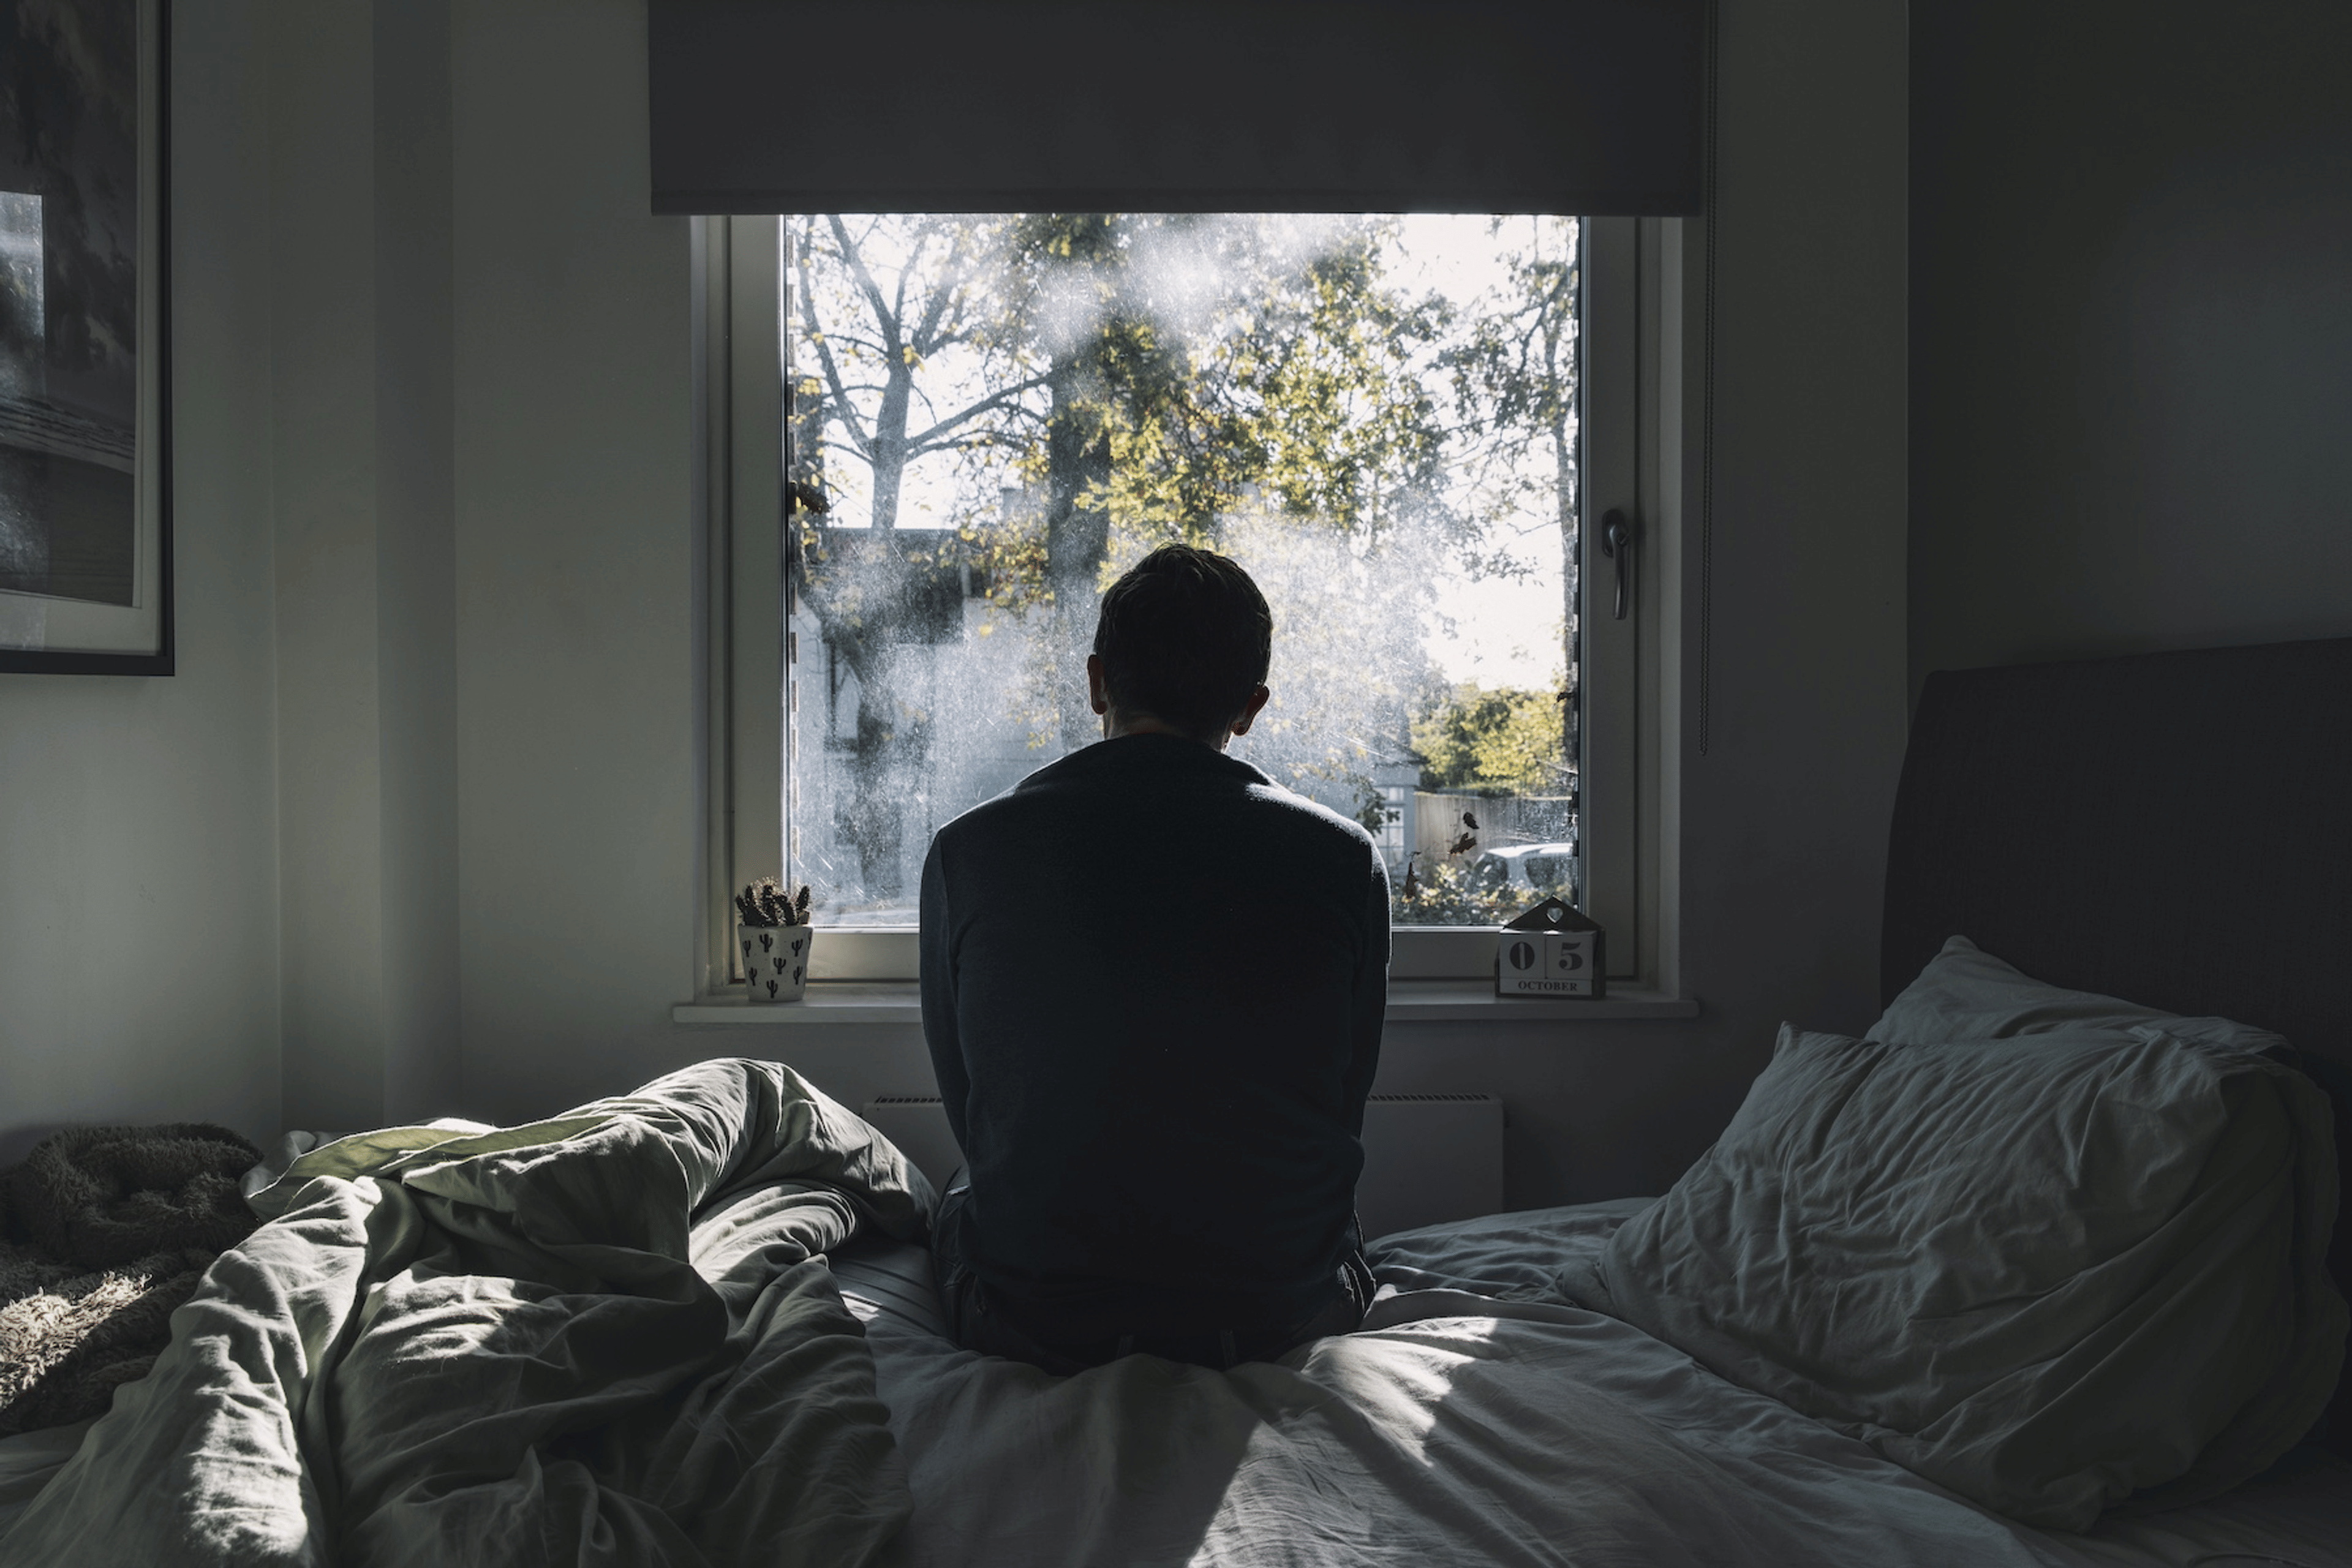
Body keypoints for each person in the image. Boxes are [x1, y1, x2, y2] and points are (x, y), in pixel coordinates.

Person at [919, 544, 1390, 1375]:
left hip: (1037, 1321)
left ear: (1098, 681)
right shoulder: (1346, 861)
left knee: (962, 1195)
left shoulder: (967, 853)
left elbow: (978, 1117)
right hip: (1276, 1315)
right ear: (1249, 706)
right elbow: (1337, 1114)